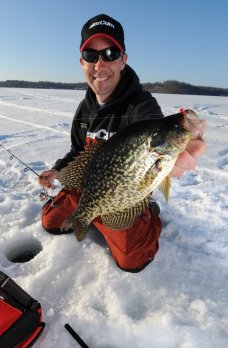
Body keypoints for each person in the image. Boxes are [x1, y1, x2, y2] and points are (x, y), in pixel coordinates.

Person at [39, 14, 206, 272]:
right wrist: (58, 170)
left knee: (132, 260)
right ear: (82, 62)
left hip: (128, 197)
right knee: (50, 222)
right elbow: (77, 150)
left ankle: (150, 216)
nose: (100, 64)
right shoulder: (84, 110)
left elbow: (155, 128)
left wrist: (184, 145)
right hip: (91, 187)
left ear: (123, 60)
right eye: (92, 56)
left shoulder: (141, 105)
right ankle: (93, 215)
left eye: (110, 53)